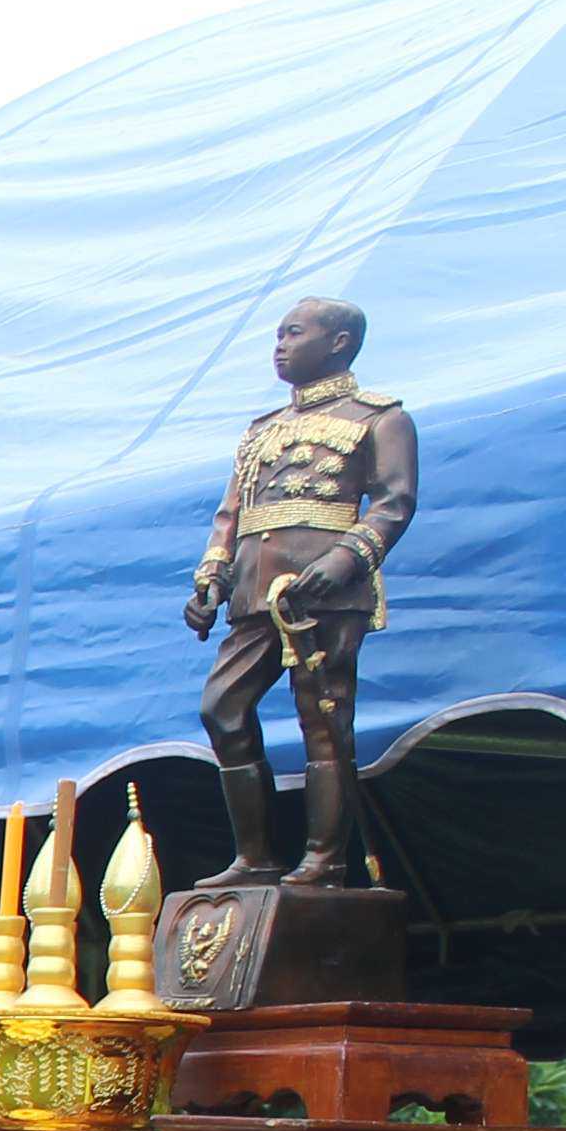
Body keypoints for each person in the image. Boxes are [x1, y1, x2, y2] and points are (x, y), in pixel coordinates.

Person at [186, 295, 419, 883]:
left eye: (293, 333)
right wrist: (212, 578)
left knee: (323, 717)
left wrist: (345, 559)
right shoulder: (261, 430)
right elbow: (231, 515)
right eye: (278, 335)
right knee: (222, 708)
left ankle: (324, 859)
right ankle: (254, 857)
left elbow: (393, 503)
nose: (280, 346)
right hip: (255, 590)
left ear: (338, 342)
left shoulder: (380, 417)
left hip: (323, 591)